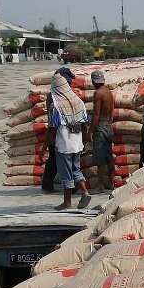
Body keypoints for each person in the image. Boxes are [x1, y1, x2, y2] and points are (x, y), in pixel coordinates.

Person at [49, 71, 91, 210]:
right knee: (76, 169)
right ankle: (85, 192)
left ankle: (67, 203)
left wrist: (48, 146)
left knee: (66, 173)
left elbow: (53, 128)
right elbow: (85, 124)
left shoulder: (56, 106)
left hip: (64, 144)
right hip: (77, 142)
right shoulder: (78, 101)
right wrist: (85, 142)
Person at [87, 70, 115, 191]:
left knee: (100, 157)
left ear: (93, 81)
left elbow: (96, 114)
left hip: (101, 126)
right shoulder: (109, 92)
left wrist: (90, 131)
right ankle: (111, 182)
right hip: (108, 125)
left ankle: (100, 185)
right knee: (108, 156)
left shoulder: (97, 93)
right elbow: (112, 112)